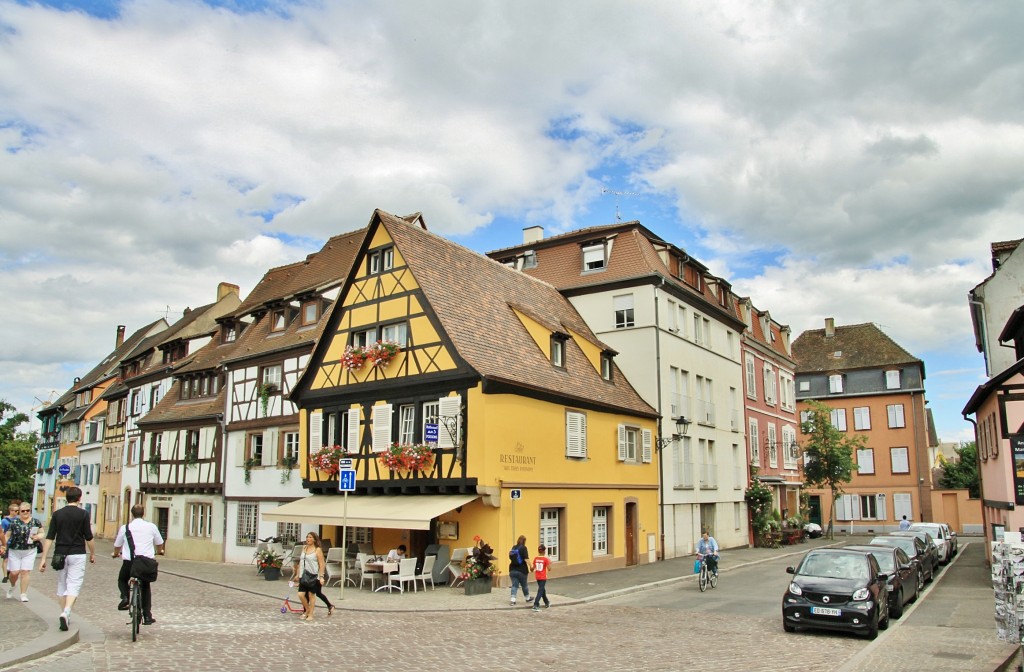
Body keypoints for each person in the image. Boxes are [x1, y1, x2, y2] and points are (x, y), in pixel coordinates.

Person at [40, 486, 95, 632]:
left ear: (66, 498)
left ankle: (65, 613)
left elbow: (50, 537)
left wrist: (43, 558)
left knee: (62, 584)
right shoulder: (84, 514)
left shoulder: (57, 514)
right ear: (79, 498)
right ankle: (66, 611)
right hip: (77, 553)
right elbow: (89, 537)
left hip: (60, 554)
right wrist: (93, 553)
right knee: (74, 584)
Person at [112, 505, 165, 625]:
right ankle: (147, 616)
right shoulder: (151, 526)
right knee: (145, 586)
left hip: (130, 563)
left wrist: (115, 554)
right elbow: (160, 543)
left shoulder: (125, 528)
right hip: (146, 563)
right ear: (143, 513)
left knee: (122, 579)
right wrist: (160, 551)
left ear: (132, 514)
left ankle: (125, 597)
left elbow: (117, 545)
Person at [4, 502, 45, 602]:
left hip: (30, 550)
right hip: (15, 549)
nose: (25, 512)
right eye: (23, 511)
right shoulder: (14, 522)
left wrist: (37, 537)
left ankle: (23, 594)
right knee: (14, 572)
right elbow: (7, 535)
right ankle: (13, 585)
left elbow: (42, 533)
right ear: (19, 512)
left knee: (25, 571)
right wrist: (3, 546)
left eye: (28, 510)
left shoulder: (35, 522)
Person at [293, 532, 333, 621]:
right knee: (301, 594)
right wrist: (297, 573)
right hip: (303, 575)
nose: (308, 539)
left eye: (310, 537)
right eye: (307, 537)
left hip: (313, 575)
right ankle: (307, 610)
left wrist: (321, 576)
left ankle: (310, 614)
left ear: (314, 539)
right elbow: (301, 562)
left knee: (311, 595)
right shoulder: (304, 548)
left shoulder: (317, 550)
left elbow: (322, 563)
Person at [508, 534, 532, 606]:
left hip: (512, 569)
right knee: (524, 585)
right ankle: (527, 598)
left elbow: (510, 557)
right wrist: (531, 566)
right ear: (524, 541)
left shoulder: (513, 547)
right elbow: (526, 558)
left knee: (514, 585)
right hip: (522, 570)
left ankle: (513, 600)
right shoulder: (524, 548)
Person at [1, 501, 20, 585]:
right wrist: (2, 544)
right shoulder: (5, 521)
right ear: (10, 511)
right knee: (6, 559)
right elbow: (2, 532)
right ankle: (5, 576)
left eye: (17, 511)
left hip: (16, 542)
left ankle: (10, 572)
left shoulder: (19, 520)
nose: (16, 512)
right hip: (7, 542)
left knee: (13, 560)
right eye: (14, 511)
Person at [531, 544, 551, 612]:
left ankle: (547, 602)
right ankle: (536, 604)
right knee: (540, 590)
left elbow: (532, 568)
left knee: (542, 590)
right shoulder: (545, 559)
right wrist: (549, 562)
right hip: (543, 576)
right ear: (544, 551)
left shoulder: (536, 558)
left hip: (537, 576)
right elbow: (549, 568)